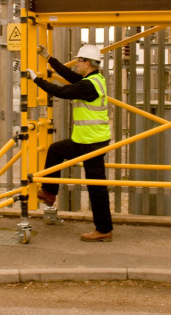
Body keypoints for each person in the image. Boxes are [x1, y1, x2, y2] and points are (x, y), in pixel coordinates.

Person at [27, 44, 113, 242]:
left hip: (92, 143)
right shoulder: (93, 79)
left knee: (96, 187)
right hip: (85, 140)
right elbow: (68, 75)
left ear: (88, 63)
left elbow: (62, 91)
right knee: (56, 150)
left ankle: (104, 229)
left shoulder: (89, 85)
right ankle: (49, 192)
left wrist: (35, 79)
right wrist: (48, 57)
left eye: (79, 61)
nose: (76, 65)